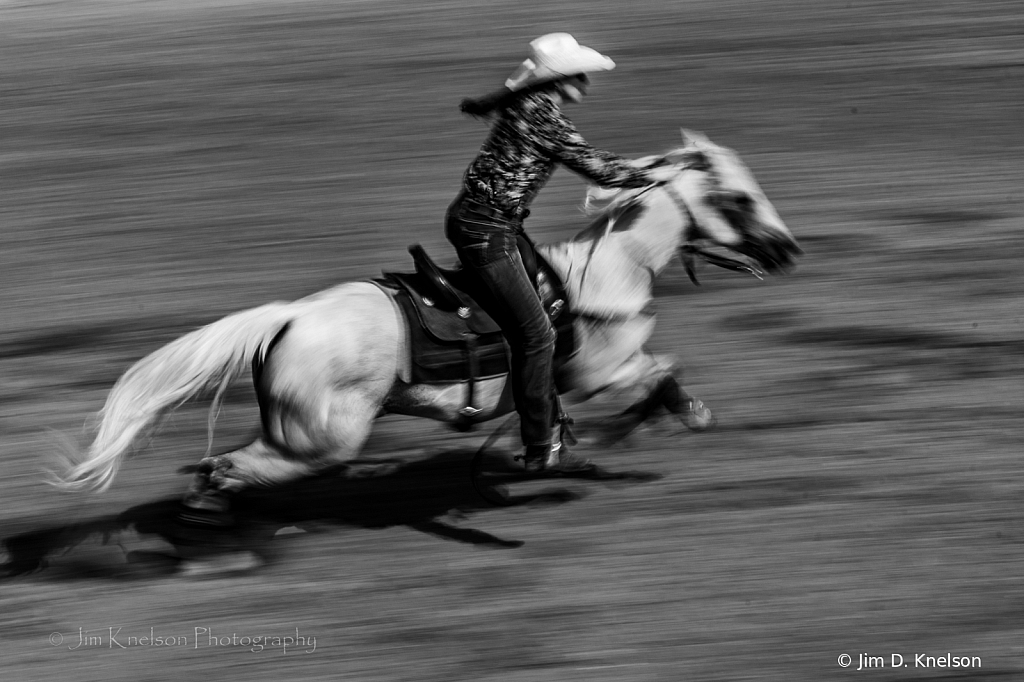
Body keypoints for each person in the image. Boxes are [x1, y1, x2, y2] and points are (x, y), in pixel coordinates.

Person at [446, 33, 678, 473]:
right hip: (488, 231)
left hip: (496, 226)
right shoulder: (541, 116)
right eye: (581, 74)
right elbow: (596, 167)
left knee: (552, 305)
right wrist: (660, 174)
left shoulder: (530, 106)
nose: (587, 83)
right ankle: (542, 449)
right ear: (561, 78)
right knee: (537, 335)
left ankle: (549, 417)